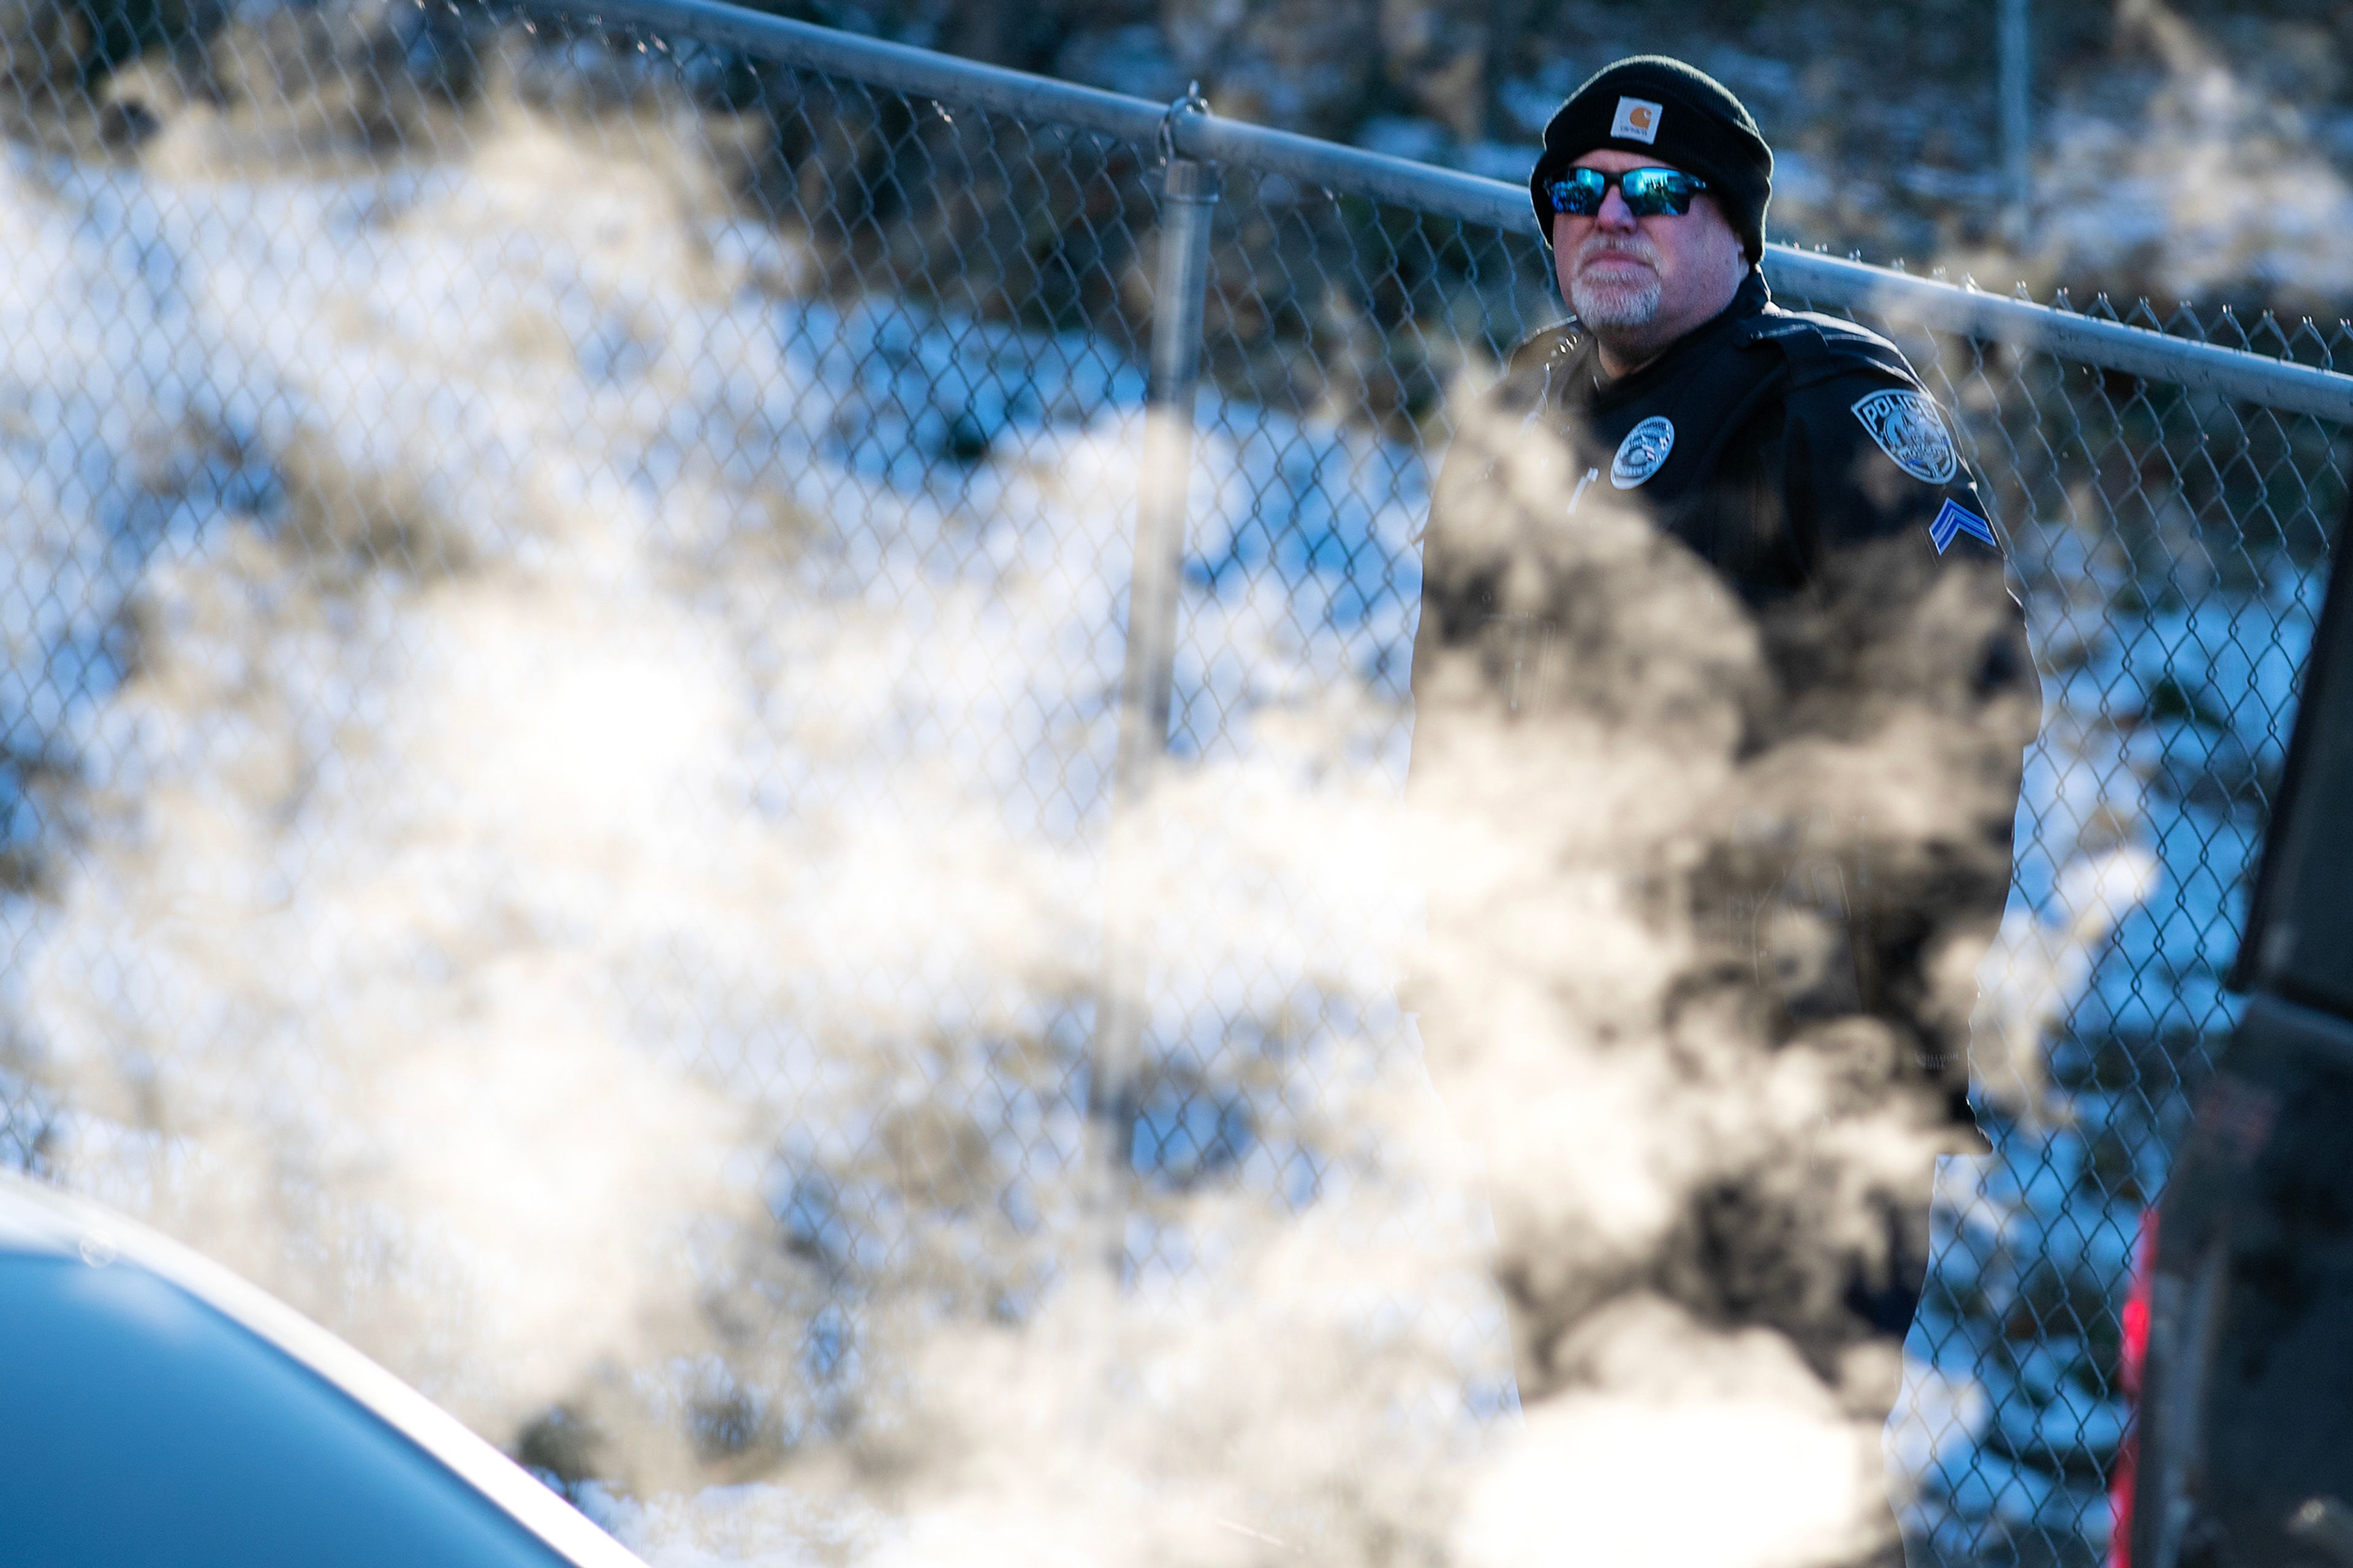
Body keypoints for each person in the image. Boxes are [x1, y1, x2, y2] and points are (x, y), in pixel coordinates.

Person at [1404, 54, 2039, 1558]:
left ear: (1735, 228)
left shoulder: (1819, 402)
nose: (1610, 216)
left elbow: (1971, 704)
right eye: (1579, 194)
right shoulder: (1525, 413)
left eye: (1658, 192)